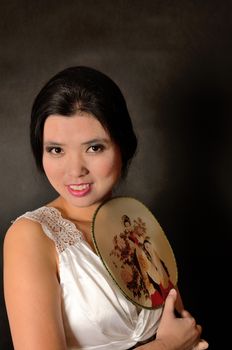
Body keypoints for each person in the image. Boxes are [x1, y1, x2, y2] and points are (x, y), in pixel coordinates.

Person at [3, 66, 209, 350]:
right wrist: (165, 347)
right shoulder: (31, 236)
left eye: (94, 148)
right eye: (56, 150)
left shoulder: (136, 223)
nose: (75, 170)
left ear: (123, 147)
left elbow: (183, 328)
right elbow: (174, 341)